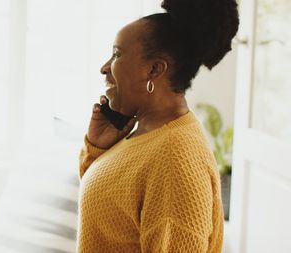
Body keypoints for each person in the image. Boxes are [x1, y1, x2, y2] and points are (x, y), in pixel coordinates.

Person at [77, 0, 239, 252]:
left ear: (154, 69)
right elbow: (108, 219)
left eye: (117, 54)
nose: (104, 68)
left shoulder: (176, 160)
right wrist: (97, 150)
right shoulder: (144, 133)